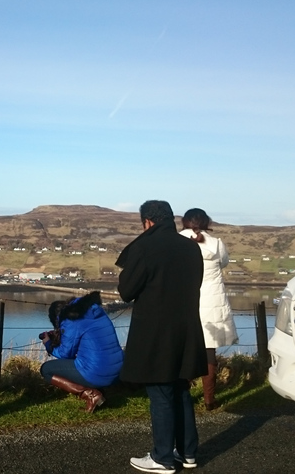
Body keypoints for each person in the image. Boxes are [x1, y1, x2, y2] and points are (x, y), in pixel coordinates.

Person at [116, 200, 207, 474]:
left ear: (147, 222)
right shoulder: (191, 247)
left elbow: (126, 290)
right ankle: (188, 452)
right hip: (187, 328)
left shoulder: (144, 247)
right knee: (180, 389)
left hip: (156, 330)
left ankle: (163, 458)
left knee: (161, 392)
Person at [179, 208, 238, 411]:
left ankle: (181, 394)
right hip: (211, 303)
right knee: (208, 353)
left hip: (186, 301)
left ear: (185, 222)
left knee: (183, 349)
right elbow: (223, 263)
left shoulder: (177, 241)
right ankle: (209, 399)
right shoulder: (217, 244)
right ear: (205, 222)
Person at [39, 291, 123, 412]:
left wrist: (48, 343)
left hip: (98, 373)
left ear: (56, 318)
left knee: (46, 370)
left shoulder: (71, 319)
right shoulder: (95, 312)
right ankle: (102, 392)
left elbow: (65, 354)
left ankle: (89, 394)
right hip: (118, 372)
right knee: (91, 359)